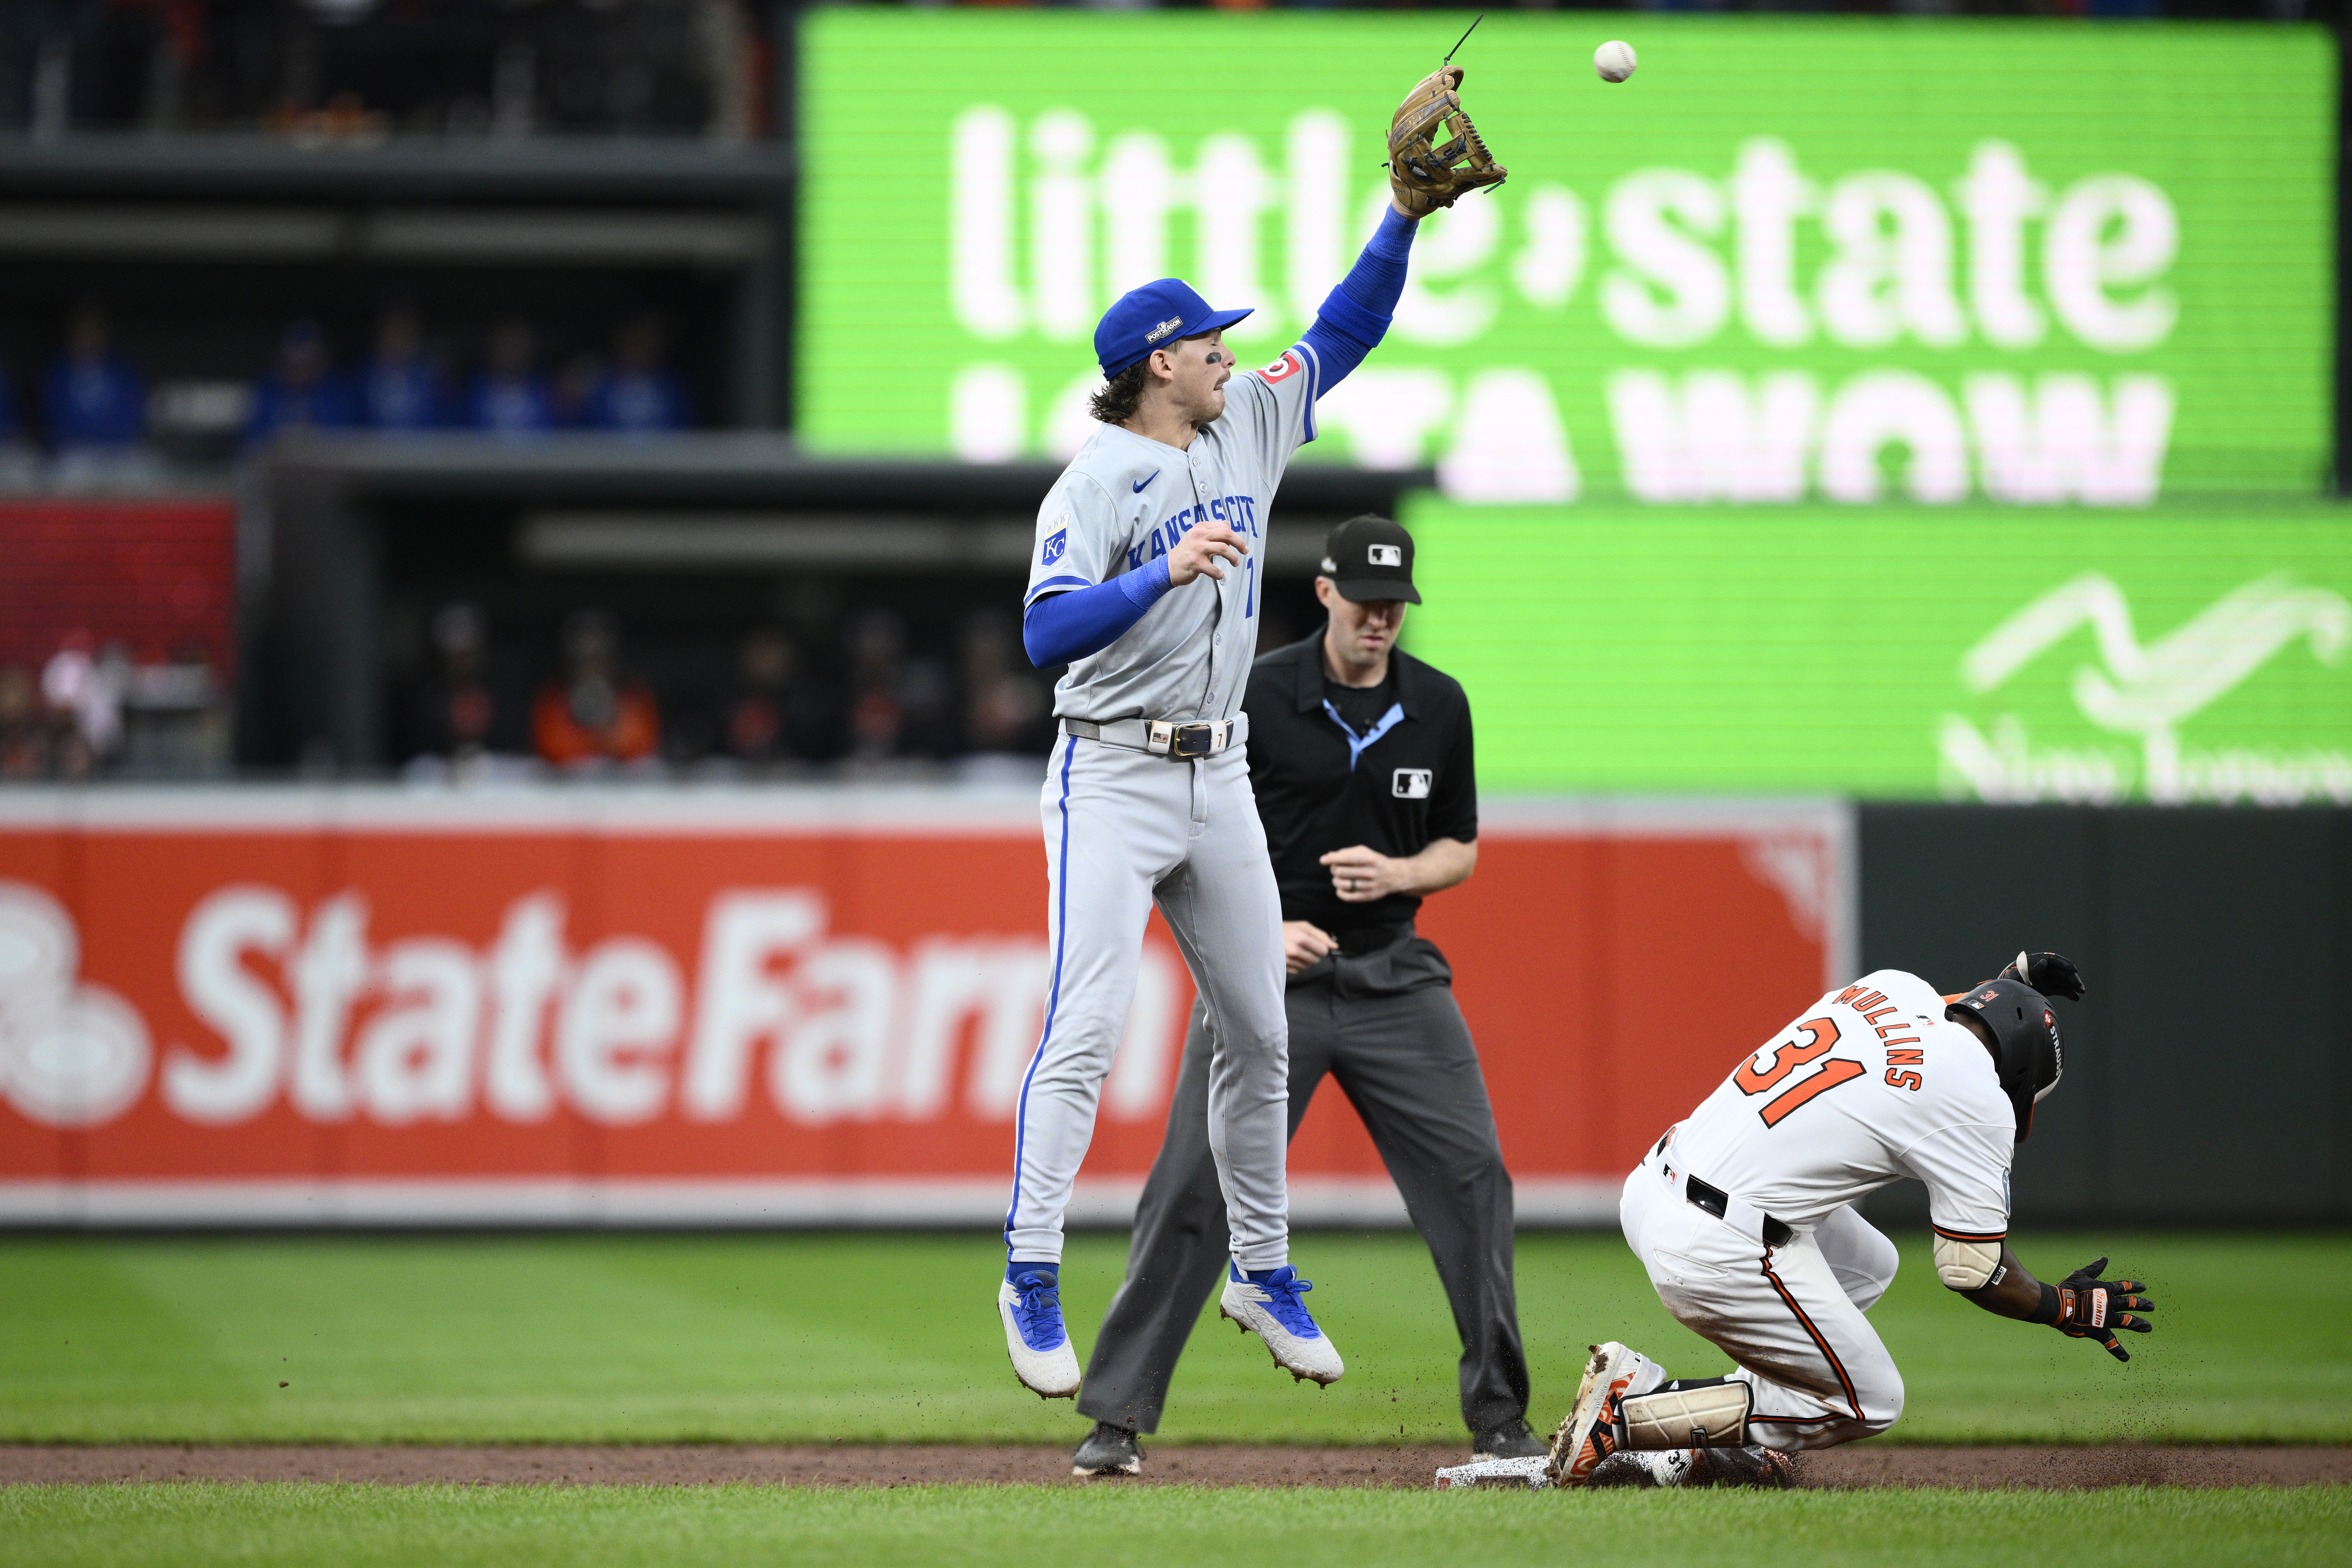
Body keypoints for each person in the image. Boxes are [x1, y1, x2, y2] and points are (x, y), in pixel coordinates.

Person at [998, 85, 1441, 1403]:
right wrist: (1162, 574)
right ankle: (1029, 1263)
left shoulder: (1246, 421)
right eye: (1203, 343)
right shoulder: (1093, 479)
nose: (1226, 355)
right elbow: (1043, 634)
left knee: (1260, 1023)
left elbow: (1344, 329)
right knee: (1087, 1020)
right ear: (1153, 364)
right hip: (1112, 766)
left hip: (1219, 771)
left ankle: (1260, 1265)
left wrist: (1402, 214)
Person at [1070, 515, 1539, 1478]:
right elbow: (1176, 831)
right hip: (1263, 981)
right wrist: (1254, 932)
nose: (1379, 619)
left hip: (1394, 975)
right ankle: (1114, 1419)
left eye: (1393, 604)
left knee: (1474, 1179)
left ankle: (1499, 1417)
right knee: (1191, 1191)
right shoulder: (1253, 694)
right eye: (1363, 600)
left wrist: (1404, 868)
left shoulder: (1438, 705)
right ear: (1323, 591)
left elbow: (1461, 844)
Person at [1545, 953, 2155, 1490]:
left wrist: (2011, 981)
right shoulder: (1981, 1101)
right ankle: (1629, 1411)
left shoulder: (1894, 986)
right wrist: (2062, 1306)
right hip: (1713, 1244)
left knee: (1867, 1264)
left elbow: (1965, 1016)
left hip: (1656, 1183)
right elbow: (1972, 1269)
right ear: (2018, 1078)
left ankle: (1728, 1432)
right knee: (1868, 1401)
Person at [532, 610, 660, 769]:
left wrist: (608, 728)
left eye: (599, 659)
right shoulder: (554, 697)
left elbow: (642, 748)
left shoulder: (635, 696)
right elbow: (553, 750)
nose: (592, 668)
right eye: (584, 661)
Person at [245, 320, 359, 446]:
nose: (301, 370)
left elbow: (347, 439)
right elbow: (250, 440)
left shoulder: (338, 394)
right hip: (277, 462)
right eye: (294, 362)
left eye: (309, 362)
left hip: (324, 463)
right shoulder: (269, 392)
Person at [585, 314, 692, 433]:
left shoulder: (675, 388)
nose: (638, 351)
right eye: (633, 343)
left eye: (645, 343)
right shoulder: (598, 384)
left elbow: (690, 430)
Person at [462, 318, 554, 435]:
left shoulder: (552, 393)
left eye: (519, 344)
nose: (512, 352)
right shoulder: (467, 394)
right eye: (505, 344)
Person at [359, 304, 443, 431]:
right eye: (394, 334)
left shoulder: (436, 383)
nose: (399, 343)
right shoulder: (359, 382)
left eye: (406, 335)